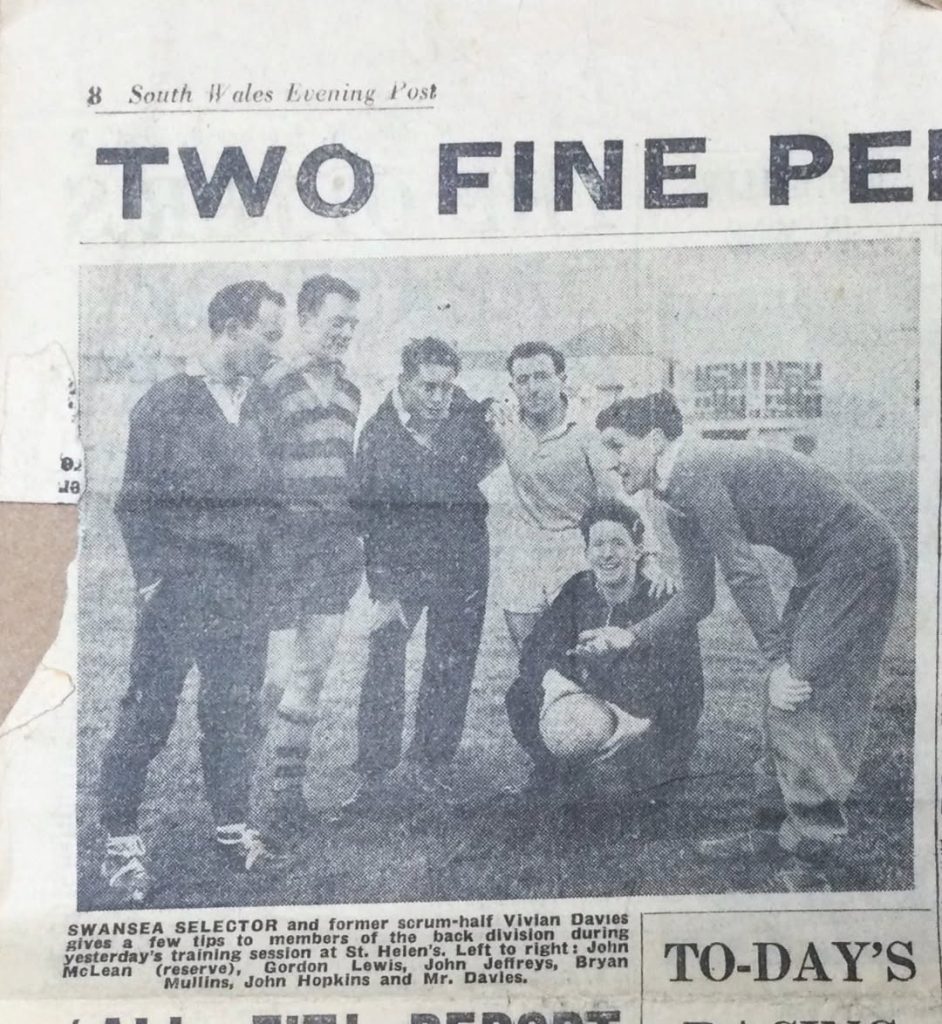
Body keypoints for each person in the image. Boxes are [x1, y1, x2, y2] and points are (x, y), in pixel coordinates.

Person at [596, 391, 904, 888]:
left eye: (617, 446)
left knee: (796, 693)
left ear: (653, 440)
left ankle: (813, 854)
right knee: (780, 696)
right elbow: (699, 600)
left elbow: (743, 570)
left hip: (860, 556)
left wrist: (778, 661)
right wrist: (629, 634)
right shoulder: (674, 499)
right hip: (822, 563)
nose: (610, 463)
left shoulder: (693, 468)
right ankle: (768, 832)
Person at [98, 280, 286, 905]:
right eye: (269, 334)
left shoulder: (263, 406)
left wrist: (265, 576)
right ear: (230, 328)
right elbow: (134, 503)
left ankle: (231, 828)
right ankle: (120, 842)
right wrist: (153, 580)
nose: (276, 350)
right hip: (179, 590)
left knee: (233, 714)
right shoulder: (164, 404)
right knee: (149, 713)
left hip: (244, 592)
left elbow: (272, 500)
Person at [349, 336, 503, 805]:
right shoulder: (377, 433)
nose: (440, 399)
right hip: (401, 565)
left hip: (462, 559)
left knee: (451, 660)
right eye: (429, 387)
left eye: (447, 388)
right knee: (384, 659)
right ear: (404, 382)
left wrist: (492, 418)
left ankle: (431, 765)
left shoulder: (467, 414)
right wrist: (384, 589)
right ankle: (374, 775)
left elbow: (494, 448)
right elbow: (368, 517)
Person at [505, 499, 704, 798]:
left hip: (643, 722)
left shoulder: (662, 600)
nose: (608, 554)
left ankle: (647, 785)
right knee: (521, 693)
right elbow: (534, 649)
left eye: (618, 543)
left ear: (638, 550)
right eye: (598, 545)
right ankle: (556, 771)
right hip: (594, 710)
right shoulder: (578, 589)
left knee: (623, 810)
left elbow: (688, 692)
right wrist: (556, 680)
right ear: (586, 553)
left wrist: (641, 723)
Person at [260, 274, 364, 842]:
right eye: (334, 322)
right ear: (305, 320)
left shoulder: (351, 392)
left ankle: (285, 799)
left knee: (311, 676)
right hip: (280, 551)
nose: (343, 333)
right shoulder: (271, 383)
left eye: (351, 324)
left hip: (332, 553)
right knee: (269, 680)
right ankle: (237, 800)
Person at [489, 341, 672, 652]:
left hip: (575, 551)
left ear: (562, 379)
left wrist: (649, 557)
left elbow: (621, 499)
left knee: (582, 653)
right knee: (530, 659)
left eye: (542, 376)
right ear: (512, 386)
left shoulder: (588, 430)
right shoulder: (502, 427)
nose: (533, 388)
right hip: (521, 555)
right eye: (523, 380)